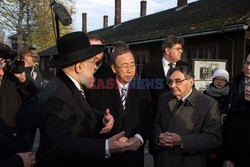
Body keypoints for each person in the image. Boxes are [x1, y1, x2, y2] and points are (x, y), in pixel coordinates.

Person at [36, 31, 137, 167]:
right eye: (92, 62)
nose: (95, 67)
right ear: (78, 67)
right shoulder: (56, 95)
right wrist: (106, 146)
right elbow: (58, 144)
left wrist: (103, 118)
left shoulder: (68, 85)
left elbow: (79, 110)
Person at [89, 47, 153, 167]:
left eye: (132, 65)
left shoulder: (143, 88)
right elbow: (91, 116)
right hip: (107, 157)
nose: (130, 70)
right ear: (113, 68)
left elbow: (148, 118)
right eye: (124, 66)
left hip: (134, 155)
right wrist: (111, 136)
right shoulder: (98, 88)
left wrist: (139, 138)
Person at [152, 66, 222, 167]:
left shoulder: (209, 104)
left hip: (190, 162)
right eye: (170, 82)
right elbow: (156, 123)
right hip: (163, 160)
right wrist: (159, 137)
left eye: (178, 81)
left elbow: (214, 138)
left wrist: (182, 141)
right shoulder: (163, 98)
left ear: (191, 82)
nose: (172, 85)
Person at [0, 58, 36, 167]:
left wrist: (23, 79)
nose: (1, 72)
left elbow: (31, 94)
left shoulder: (10, 79)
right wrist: (18, 162)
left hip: (15, 145)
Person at [203, 69, 230, 167]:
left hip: (224, 129)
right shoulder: (205, 93)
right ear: (213, 80)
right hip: (207, 128)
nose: (219, 81)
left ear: (226, 82)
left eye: (222, 80)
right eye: (217, 79)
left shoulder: (230, 94)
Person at [19, 45, 43, 151]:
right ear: (27, 57)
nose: (37, 59)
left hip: (35, 120)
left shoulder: (37, 71)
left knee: (29, 149)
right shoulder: (18, 73)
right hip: (22, 122)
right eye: (35, 57)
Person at [222, 78, 250, 167]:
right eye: (248, 84)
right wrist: (225, 159)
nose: (248, 89)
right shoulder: (236, 107)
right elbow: (225, 136)